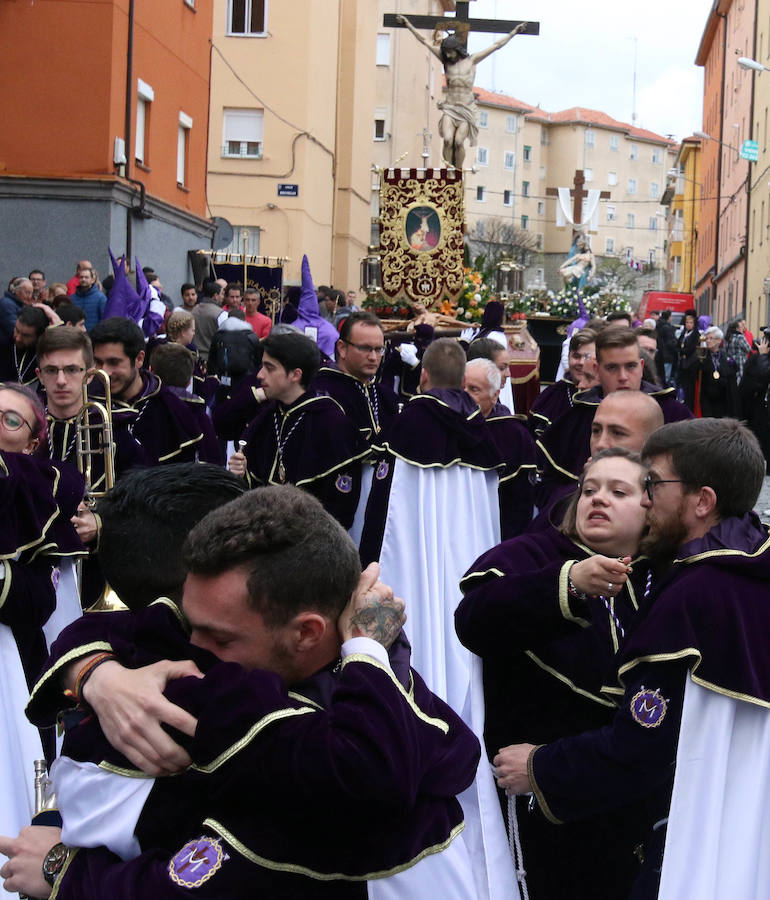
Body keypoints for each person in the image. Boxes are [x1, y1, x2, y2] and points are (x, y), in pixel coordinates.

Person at [6, 486, 479, 899]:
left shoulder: (325, 752)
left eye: (221, 638)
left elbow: (195, 884)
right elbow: (109, 630)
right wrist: (97, 675)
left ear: (306, 633)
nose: (191, 653)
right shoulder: (386, 688)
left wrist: (63, 873)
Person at [492, 418, 770, 900]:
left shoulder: (696, 595)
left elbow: (641, 748)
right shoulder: (752, 563)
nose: (644, 500)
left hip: (700, 831)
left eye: (654, 486)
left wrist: (540, 766)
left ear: (702, 501)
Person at [457, 449, 653, 900]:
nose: (597, 499)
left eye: (618, 491)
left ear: (650, 510)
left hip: (621, 799)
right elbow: (474, 620)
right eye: (589, 489)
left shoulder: (658, 577)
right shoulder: (534, 553)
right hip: (538, 805)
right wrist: (567, 583)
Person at [360, 338, 514, 900]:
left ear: (423, 375)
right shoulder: (482, 432)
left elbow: (394, 519)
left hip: (417, 585)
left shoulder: (411, 427)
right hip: (466, 581)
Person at [536, 327, 691, 505]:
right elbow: (546, 489)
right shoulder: (577, 416)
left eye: (630, 366)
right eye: (612, 368)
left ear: (641, 367)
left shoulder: (674, 413)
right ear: (597, 369)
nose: (623, 377)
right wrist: (586, 486)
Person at [227, 331, 365, 528]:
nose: (259, 375)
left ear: (295, 374)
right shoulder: (269, 416)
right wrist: (241, 474)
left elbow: (339, 509)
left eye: (269, 367)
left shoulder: (331, 423)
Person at [397, 15, 526, 168]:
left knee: (458, 142)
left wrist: (514, 32)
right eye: (446, 53)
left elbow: (496, 45)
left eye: (451, 52)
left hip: (466, 109)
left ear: (457, 50)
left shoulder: (471, 61)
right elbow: (424, 41)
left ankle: (457, 172)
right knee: (447, 140)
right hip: (450, 108)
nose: (448, 55)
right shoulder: (445, 62)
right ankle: (449, 170)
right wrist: (407, 24)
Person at [89, 317, 222, 465]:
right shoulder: (88, 404)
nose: (104, 372)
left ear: (139, 359)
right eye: (99, 362)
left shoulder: (175, 408)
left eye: (114, 362)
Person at [464, 357, 536, 538]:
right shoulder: (447, 424)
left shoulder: (513, 434)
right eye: (460, 387)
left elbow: (520, 504)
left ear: (495, 395)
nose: (464, 395)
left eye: (473, 390)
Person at [528, 328, 596, 439]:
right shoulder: (550, 395)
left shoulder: (607, 395)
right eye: (576, 356)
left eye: (587, 357)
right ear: (568, 357)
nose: (581, 363)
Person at [695, 326, 739, 418]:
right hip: (706, 397)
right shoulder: (703, 355)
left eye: (711, 338)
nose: (708, 340)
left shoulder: (725, 356)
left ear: (719, 340)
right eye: (707, 338)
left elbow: (731, 372)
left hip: (722, 398)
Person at [0, 305, 48, 385]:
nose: (18, 338)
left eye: (25, 336)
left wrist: (53, 316)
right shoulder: (4, 344)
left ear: (39, 336)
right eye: (17, 330)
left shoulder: (44, 353)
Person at [676, 308, 700, 410]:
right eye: (687, 322)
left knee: (689, 389)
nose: (688, 324)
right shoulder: (684, 333)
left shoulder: (695, 335)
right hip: (682, 363)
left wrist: (682, 351)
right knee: (682, 386)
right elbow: (678, 344)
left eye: (691, 322)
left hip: (690, 365)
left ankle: (689, 407)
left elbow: (691, 349)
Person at [71, 265, 107, 332]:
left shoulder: (101, 298)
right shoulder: (72, 298)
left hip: (94, 337)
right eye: (81, 277)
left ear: (92, 280)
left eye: (86, 277)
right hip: (76, 336)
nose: (83, 279)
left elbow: (105, 320)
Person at [655, 310, 678, 386]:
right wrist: (677, 344)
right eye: (671, 316)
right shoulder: (667, 327)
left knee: (661, 376)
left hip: (660, 354)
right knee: (666, 377)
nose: (671, 318)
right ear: (668, 317)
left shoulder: (658, 325)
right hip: (667, 355)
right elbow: (670, 342)